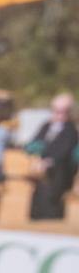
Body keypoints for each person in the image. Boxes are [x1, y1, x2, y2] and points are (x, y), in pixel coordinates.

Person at [27, 92, 78, 220]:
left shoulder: (71, 131)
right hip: (39, 180)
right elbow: (34, 143)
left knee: (51, 213)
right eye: (56, 110)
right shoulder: (46, 126)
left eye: (63, 111)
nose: (59, 114)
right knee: (36, 213)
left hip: (57, 179)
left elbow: (63, 153)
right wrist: (34, 156)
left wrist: (47, 163)